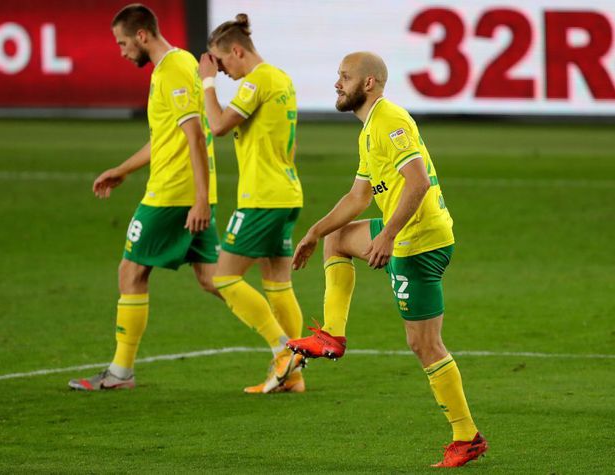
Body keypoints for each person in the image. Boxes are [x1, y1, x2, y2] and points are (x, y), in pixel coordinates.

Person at [286, 52, 488, 467]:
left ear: (369, 84)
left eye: (344, 77)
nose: (337, 83)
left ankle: (466, 436)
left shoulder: (390, 120)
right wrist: (314, 231)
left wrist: (389, 236)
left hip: (418, 242)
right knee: (338, 240)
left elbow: (417, 182)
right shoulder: (368, 130)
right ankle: (331, 336)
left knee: (424, 344)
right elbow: (359, 197)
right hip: (407, 233)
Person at [69, 3, 220, 391]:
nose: (120, 51)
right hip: (187, 189)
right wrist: (123, 169)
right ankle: (285, 341)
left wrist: (200, 199)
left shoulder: (172, 70)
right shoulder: (174, 66)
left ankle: (120, 373)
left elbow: (195, 136)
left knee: (131, 272)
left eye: (122, 43)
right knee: (215, 279)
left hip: (172, 193)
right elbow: (165, 139)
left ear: (142, 35)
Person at [198, 14, 305, 394]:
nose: (222, 70)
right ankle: (293, 375)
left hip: (262, 198)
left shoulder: (257, 80)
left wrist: (206, 82)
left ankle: (283, 351)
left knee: (223, 277)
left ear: (237, 51)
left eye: (222, 61)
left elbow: (218, 125)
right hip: (286, 193)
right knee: (278, 284)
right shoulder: (281, 79)